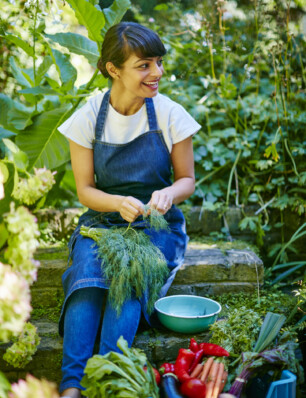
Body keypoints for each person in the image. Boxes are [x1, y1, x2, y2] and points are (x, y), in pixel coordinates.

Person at [57, 21, 201, 398]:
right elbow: (85, 190)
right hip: (102, 220)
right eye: (144, 65)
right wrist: (116, 203)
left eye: (158, 62)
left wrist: (168, 193)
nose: (158, 73)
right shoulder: (89, 114)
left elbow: (187, 179)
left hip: (157, 225)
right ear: (113, 69)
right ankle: (72, 386)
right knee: (87, 277)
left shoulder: (169, 113)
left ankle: (105, 381)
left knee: (129, 278)